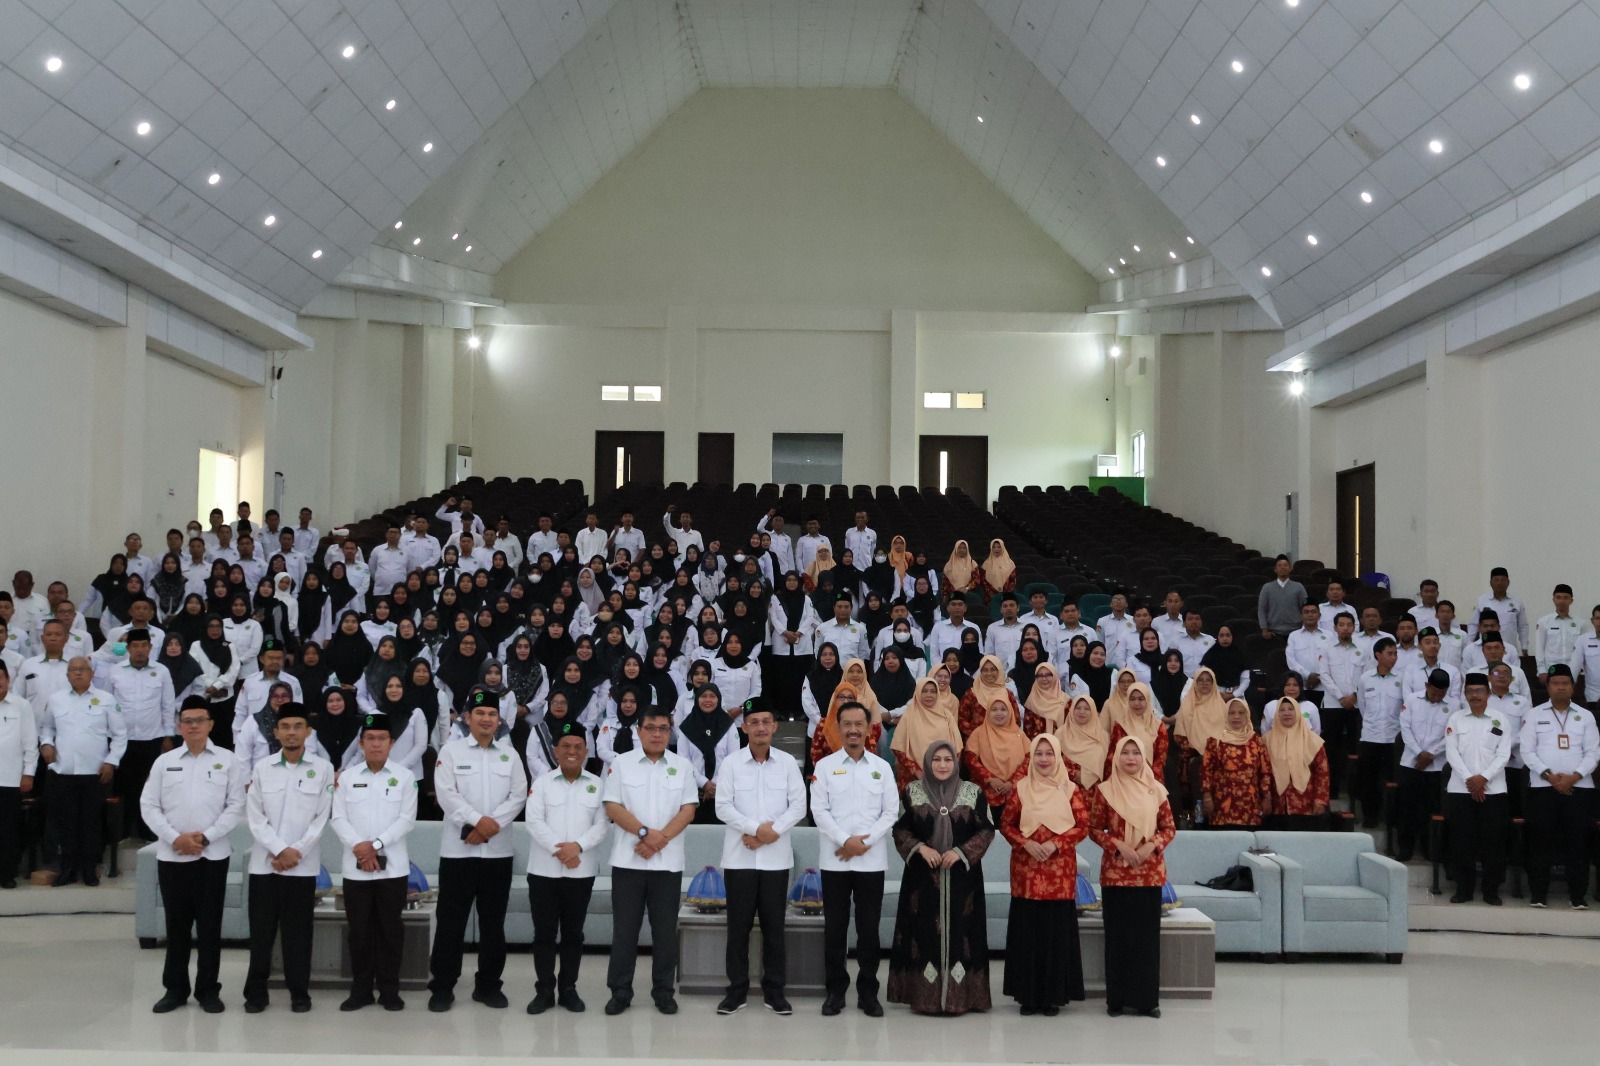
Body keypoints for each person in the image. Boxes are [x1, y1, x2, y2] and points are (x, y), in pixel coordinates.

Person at [141, 696, 248, 1014]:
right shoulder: (164, 761)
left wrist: (205, 837)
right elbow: (149, 805)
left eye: (199, 720)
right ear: (179, 726)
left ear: (210, 724)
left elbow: (236, 806)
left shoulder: (228, 760)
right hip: (172, 856)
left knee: (210, 927)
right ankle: (175, 990)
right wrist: (175, 838)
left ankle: (208, 991)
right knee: (176, 927)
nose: (193, 726)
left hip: (211, 856)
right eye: (187, 721)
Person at [427, 694, 528, 1012]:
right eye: (479, 712)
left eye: (492, 714)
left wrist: (489, 826)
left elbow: (518, 796)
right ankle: (443, 987)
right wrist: (476, 821)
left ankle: (488, 986)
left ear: (499, 720)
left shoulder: (509, 755)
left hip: (497, 853)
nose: (486, 718)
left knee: (493, 924)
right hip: (458, 852)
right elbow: (446, 794)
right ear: (467, 718)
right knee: (450, 923)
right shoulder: (451, 751)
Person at [602, 704, 698, 1016]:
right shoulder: (621, 763)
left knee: (665, 932)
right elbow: (612, 806)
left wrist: (660, 840)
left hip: (667, 864)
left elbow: (688, 810)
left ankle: (663, 991)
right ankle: (620, 991)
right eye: (651, 728)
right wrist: (645, 833)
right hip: (628, 862)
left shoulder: (682, 766)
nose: (657, 734)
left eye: (663, 729)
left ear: (670, 733)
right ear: (639, 731)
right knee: (624, 931)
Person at [714, 700, 806, 1016]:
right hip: (739, 859)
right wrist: (756, 830)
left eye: (766, 721)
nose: (761, 727)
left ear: (775, 726)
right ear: (744, 727)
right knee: (737, 929)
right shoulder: (731, 764)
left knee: (774, 929)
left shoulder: (787, 763)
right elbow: (722, 806)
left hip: (776, 861)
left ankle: (775, 992)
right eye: (754, 722)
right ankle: (736, 991)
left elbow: (799, 806)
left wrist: (769, 833)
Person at [887, 740, 993, 1016]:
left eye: (948, 759)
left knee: (963, 933)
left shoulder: (973, 792)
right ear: (927, 763)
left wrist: (960, 852)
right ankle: (925, 998)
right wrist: (921, 848)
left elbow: (986, 830)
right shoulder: (912, 792)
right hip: (922, 880)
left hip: (963, 881)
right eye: (936, 759)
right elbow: (900, 830)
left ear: (955, 763)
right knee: (923, 933)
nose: (942, 765)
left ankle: (962, 998)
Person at [242, 701, 333, 1013]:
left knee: (298, 935)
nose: (291, 732)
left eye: (298, 726)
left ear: (308, 732)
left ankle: (299, 992)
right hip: (264, 865)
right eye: (285, 727)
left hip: (302, 867)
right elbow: (255, 817)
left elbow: (321, 818)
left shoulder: (323, 769)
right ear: (276, 732)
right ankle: (256, 993)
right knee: (261, 934)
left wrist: (296, 852)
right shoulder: (262, 768)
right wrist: (280, 849)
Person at [811, 701, 896, 1017]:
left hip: (871, 862)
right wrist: (845, 841)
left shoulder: (881, 768)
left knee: (868, 930)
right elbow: (819, 810)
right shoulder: (825, 767)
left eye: (859, 724)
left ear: (869, 728)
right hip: (834, 861)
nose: (853, 730)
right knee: (835, 929)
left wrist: (864, 843)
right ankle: (835, 991)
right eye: (846, 724)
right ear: (838, 727)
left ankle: (868, 992)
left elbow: (890, 811)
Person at [330, 713, 419, 1011]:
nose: (376, 744)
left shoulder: (405, 777)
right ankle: (361, 990)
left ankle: (389, 990)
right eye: (370, 738)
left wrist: (375, 846)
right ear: (361, 743)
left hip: (393, 869)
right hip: (356, 869)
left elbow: (407, 820)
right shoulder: (347, 778)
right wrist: (360, 848)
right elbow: (338, 818)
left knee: (391, 931)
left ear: (391, 743)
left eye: (382, 738)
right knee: (359, 932)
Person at [999, 734, 1089, 1016]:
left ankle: (1053, 997)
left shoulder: (1070, 790)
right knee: (1028, 934)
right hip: (1026, 872)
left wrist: (1055, 844)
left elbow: (1083, 825)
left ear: (1058, 756)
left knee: (1054, 935)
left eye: (1050, 753)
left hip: (1058, 872)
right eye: (1039, 754)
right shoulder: (1020, 788)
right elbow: (1006, 825)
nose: (1044, 759)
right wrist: (1026, 843)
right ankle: (1028, 996)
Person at [1088, 735, 1176, 1019]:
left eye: (1136, 753)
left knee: (1146, 940)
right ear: (1116, 757)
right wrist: (1118, 845)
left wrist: (1151, 846)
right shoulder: (1105, 791)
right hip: (1116, 874)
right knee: (1118, 939)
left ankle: (1147, 1001)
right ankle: (1116, 1000)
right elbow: (1093, 828)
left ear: (1144, 757)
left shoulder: (1156, 790)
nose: (1130, 758)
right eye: (1125, 753)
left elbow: (1169, 828)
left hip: (1149, 873)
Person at [524, 722, 608, 1014]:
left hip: (580, 871)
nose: (572, 751)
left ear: (586, 751)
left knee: (573, 934)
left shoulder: (598, 785)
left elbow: (602, 825)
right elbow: (533, 821)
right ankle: (544, 990)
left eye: (578, 747)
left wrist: (578, 847)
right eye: (566, 747)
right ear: (555, 751)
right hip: (543, 871)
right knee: (544, 934)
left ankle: (568, 989)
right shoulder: (542, 783)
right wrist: (561, 850)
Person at [40, 657, 127, 885]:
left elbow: (120, 734)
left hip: (96, 773)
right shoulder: (56, 699)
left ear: (91, 673)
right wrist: (46, 744)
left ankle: (89, 868)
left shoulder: (106, 699)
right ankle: (68, 869)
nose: (78, 673)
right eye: (73, 670)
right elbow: (47, 727)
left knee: (92, 823)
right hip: (64, 772)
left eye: (83, 669)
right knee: (66, 823)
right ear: (67, 675)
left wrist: (111, 761)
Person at [1520, 664, 1598, 909]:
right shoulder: (1534, 714)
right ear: (1548, 687)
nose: (1561, 687)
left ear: (1573, 687)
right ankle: (1538, 894)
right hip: (1543, 788)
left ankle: (1578, 896)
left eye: (1565, 683)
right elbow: (1527, 751)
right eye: (1556, 683)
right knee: (1540, 840)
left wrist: (1573, 777)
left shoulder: (1586, 716)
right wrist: (1550, 777)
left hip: (1579, 788)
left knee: (1578, 842)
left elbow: (1593, 753)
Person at [1443, 673, 1512, 905]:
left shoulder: (1501, 719)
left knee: (1493, 843)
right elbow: (1452, 753)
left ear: (1488, 693)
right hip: (1460, 790)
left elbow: (1503, 754)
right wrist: (1470, 780)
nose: (1475, 695)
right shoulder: (1455, 719)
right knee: (1462, 842)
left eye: (1479, 691)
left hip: (1494, 790)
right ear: (1465, 694)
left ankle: (1491, 891)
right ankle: (1464, 890)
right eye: (1470, 691)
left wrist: (1483, 778)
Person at [104, 628, 176, 841]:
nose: (140, 650)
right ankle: (123, 834)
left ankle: (148, 834)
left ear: (150, 648)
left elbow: (168, 704)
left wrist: (168, 736)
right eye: (135, 646)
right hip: (121, 740)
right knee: (124, 787)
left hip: (152, 739)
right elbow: (107, 704)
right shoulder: (115, 671)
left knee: (150, 787)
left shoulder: (161, 671)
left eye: (144, 645)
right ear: (127, 648)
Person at [1394, 670, 1455, 860]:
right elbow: (1405, 729)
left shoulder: (1454, 705)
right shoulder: (1412, 700)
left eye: (1441, 694)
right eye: (1434, 693)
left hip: (1436, 766)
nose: (1437, 697)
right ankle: (1405, 848)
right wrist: (1419, 753)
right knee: (1406, 807)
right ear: (1427, 686)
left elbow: (1451, 734)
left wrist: (1431, 755)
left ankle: (1429, 848)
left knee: (1431, 808)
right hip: (1410, 763)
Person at [1355, 638, 1405, 830]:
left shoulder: (1402, 679)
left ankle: (1392, 819)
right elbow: (1363, 707)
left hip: (1394, 738)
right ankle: (1370, 817)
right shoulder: (1365, 679)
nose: (1394, 657)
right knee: (1368, 780)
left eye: (1395, 653)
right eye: (1390, 653)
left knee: (1393, 781)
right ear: (1378, 655)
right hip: (1370, 737)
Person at [1262, 696, 1331, 830]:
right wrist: (1266, 798)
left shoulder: (1313, 740)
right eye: (1282, 710)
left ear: (1298, 713)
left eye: (1290, 709)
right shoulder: (1266, 741)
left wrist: (1320, 800)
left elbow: (1322, 772)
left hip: (1306, 803)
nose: (1286, 713)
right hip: (1277, 805)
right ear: (1276, 715)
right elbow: (1264, 772)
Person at [1202, 699, 1271, 827]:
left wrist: (1267, 797)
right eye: (1231, 713)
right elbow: (1206, 770)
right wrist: (1207, 797)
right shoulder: (1215, 740)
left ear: (1247, 715)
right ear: (1225, 715)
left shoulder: (1256, 740)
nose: (1236, 716)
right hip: (1222, 803)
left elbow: (1265, 771)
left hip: (1250, 804)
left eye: (1241, 712)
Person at [0, 661, 37, 888]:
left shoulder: (21, 706)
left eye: (0, 677)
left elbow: (30, 743)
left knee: (8, 830)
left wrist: (28, 773)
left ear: (7, 679)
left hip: (11, 778)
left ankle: (6, 874)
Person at [887, 676, 961, 790]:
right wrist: (917, 771)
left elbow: (957, 747)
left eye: (933, 691)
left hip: (943, 774)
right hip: (913, 777)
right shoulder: (909, 715)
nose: (929, 695)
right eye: (924, 691)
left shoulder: (946, 715)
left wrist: (945, 769)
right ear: (917, 692)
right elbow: (898, 748)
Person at [962, 696, 1028, 822]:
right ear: (988, 712)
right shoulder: (979, 733)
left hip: (1015, 794)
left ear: (1010, 711)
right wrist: (990, 779)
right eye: (994, 709)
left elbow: (1029, 760)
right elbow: (970, 760)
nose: (999, 713)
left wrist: (1012, 782)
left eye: (1003, 709)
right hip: (988, 794)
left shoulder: (1019, 734)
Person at [1472, 567, 1528, 647]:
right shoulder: (1481, 600)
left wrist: (1524, 646)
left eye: (1502, 580)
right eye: (1496, 580)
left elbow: (1522, 626)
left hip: (1510, 647)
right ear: (1491, 583)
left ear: (1508, 582)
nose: (1499, 583)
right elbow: (1473, 624)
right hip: (1487, 648)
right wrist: (1469, 643)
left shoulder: (1517, 601)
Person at [1258, 555, 1307, 639]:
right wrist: (1264, 629)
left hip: (1295, 631)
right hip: (1273, 632)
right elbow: (1262, 610)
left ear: (1290, 568)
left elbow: (1305, 608)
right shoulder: (1267, 588)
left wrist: (1304, 627)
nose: (1282, 567)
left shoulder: (1299, 587)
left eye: (1285, 565)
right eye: (1279, 565)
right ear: (1275, 569)